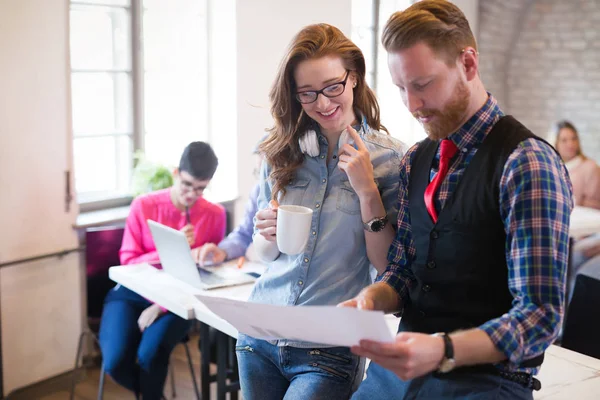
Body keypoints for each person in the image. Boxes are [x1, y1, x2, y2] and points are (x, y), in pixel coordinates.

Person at [341, 2, 573, 399]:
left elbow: (538, 317)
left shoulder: (527, 163)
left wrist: (442, 349)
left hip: (487, 382)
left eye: (422, 84)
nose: (412, 105)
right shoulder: (416, 160)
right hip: (398, 377)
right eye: (400, 88)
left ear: (467, 64)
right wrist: (370, 300)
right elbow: (401, 272)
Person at [237, 23, 406, 400]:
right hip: (259, 333)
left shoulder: (393, 160)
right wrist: (267, 233)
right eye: (308, 94)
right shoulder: (280, 151)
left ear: (355, 79)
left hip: (328, 348)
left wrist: (367, 191)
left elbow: (389, 268)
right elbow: (265, 256)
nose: (324, 103)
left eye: (333, 87)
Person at [98, 141, 226, 400]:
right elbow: (128, 262)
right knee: (115, 363)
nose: (192, 194)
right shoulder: (144, 206)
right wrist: (173, 247)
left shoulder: (215, 214)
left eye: (200, 189)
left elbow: (203, 275)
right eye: (187, 185)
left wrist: (162, 305)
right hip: (131, 292)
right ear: (176, 173)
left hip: (178, 300)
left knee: (150, 355)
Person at [553, 120, 600, 297]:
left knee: (568, 261)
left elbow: (593, 211)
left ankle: (570, 316)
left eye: (573, 139)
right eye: (564, 140)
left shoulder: (590, 168)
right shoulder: (554, 168)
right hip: (566, 234)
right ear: (555, 143)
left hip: (588, 234)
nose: (570, 144)